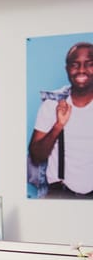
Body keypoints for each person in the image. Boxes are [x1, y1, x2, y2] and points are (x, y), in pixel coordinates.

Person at [28, 42, 93, 198]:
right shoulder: (51, 104)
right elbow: (36, 156)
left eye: (89, 64)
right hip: (59, 193)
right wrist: (58, 125)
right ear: (67, 69)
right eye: (75, 65)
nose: (82, 70)